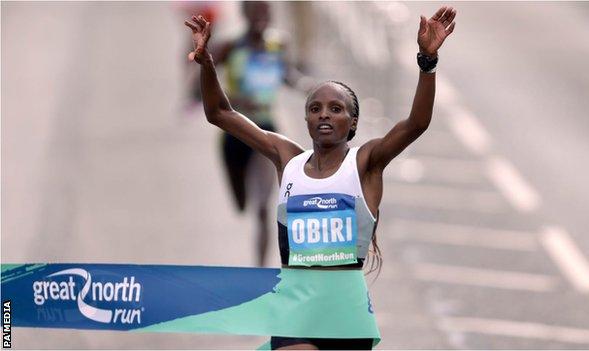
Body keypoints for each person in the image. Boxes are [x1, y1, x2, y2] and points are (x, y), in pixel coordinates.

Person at [184, 5, 456, 349]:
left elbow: (416, 124)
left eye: (336, 109)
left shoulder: (366, 163)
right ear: (307, 119)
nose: (324, 115)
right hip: (296, 308)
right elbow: (220, 112)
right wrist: (208, 63)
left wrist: (427, 62)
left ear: (352, 123)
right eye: (315, 109)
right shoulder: (288, 160)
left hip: (345, 314)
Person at [206, 1, 313, 267]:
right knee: (241, 202)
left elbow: (288, 75)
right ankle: (241, 193)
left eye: (265, 13)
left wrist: (310, 88)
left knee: (264, 206)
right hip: (235, 131)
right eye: (255, 13)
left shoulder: (278, 44)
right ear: (244, 14)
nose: (261, 19)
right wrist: (233, 99)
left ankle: (260, 269)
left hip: (266, 130)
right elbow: (202, 82)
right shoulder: (230, 46)